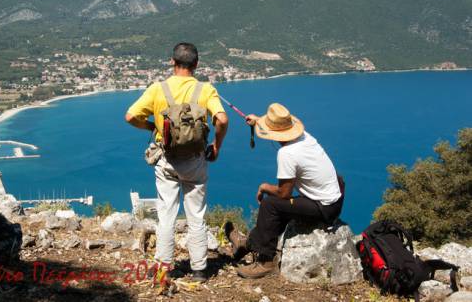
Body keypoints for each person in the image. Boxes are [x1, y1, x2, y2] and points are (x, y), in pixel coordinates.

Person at [125, 43, 229, 282]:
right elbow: (222, 120)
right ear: (197, 64)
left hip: (167, 160)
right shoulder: (205, 89)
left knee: (166, 214)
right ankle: (200, 269)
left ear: (172, 61)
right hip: (195, 161)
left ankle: (163, 265)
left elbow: (130, 116)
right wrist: (217, 146)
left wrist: (150, 126)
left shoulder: (157, 89)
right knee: (196, 215)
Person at [225, 103, 343, 279]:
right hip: (335, 200)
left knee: (270, 205)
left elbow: (283, 194)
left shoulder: (287, 153)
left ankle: (266, 262)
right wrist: (257, 121)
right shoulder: (305, 137)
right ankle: (246, 244)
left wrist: (263, 187)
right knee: (284, 207)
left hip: (323, 208)